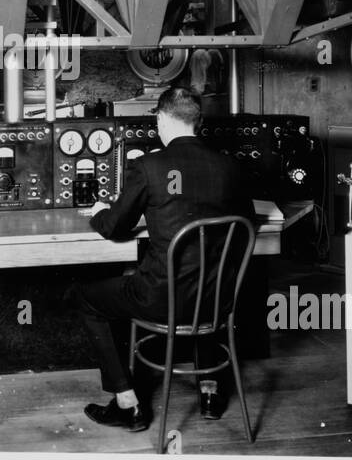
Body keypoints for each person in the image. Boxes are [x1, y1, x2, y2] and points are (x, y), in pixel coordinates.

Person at [77, 86, 261, 432]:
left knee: (88, 299)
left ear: (161, 118)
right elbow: (247, 223)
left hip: (160, 300)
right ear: (199, 122)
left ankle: (127, 403)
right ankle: (210, 392)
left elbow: (116, 228)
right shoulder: (229, 167)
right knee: (203, 271)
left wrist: (100, 211)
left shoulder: (148, 166)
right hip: (216, 301)